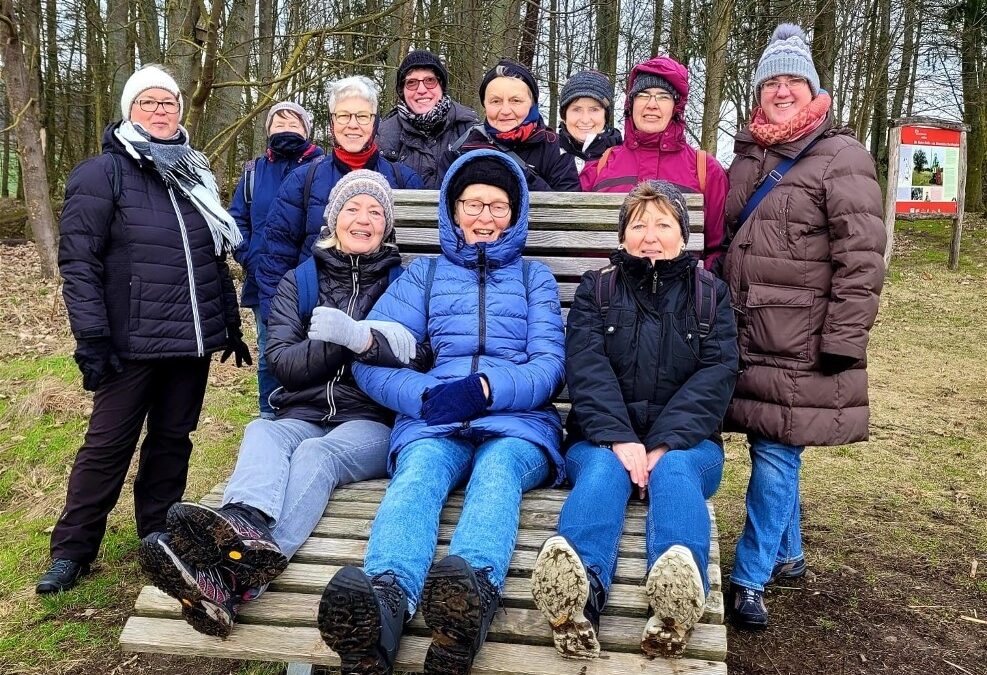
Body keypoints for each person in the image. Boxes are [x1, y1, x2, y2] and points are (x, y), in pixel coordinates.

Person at [137, 170, 430, 637]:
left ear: (387, 227)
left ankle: (236, 575)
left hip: (371, 421)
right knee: (263, 430)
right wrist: (340, 342)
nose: (364, 219)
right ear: (334, 220)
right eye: (353, 209)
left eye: (376, 212)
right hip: (302, 410)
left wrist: (355, 337)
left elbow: (420, 353)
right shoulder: (301, 281)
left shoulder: (406, 281)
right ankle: (243, 523)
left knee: (317, 454)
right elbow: (285, 364)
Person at [316, 150, 566, 674]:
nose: (485, 216)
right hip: (435, 416)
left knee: (497, 476)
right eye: (473, 204)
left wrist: (485, 389)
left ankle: (468, 599)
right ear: (453, 211)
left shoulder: (533, 278)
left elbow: (548, 367)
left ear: (515, 214)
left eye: (498, 206)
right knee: (418, 477)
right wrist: (425, 398)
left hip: (517, 423)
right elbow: (370, 357)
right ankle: (384, 606)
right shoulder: (422, 276)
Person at [38, 64, 250, 594]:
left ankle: (157, 532)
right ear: (129, 110)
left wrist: (228, 323)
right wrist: (91, 337)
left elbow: (212, 258)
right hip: (130, 343)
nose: (161, 111)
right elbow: (79, 263)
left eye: (169, 102)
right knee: (108, 445)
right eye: (149, 102)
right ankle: (72, 550)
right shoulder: (102, 174)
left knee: (173, 441)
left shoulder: (193, 173)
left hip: (190, 340)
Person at [530, 181, 739, 660]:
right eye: (638, 224)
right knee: (602, 470)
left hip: (689, 445)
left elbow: (717, 373)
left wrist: (662, 444)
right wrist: (620, 439)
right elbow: (586, 366)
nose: (650, 235)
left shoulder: (710, 296)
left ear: (682, 237)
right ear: (622, 235)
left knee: (675, 470)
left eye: (663, 224)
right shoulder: (596, 290)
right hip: (600, 440)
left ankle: (674, 600)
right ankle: (577, 597)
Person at [723, 24, 887, 630]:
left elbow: (863, 258)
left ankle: (750, 577)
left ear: (814, 89)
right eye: (773, 82)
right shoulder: (746, 156)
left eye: (794, 80)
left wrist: (844, 337)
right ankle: (788, 553)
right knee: (773, 443)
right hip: (742, 333)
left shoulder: (843, 156)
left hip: (800, 341)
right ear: (760, 91)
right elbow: (726, 244)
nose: (782, 91)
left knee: (775, 452)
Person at [257, 75, 423, 321]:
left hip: (384, 316)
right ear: (332, 122)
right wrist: (281, 323)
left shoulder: (404, 180)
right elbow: (275, 258)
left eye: (362, 116)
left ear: (375, 123)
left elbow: (418, 265)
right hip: (312, 317)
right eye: (343, 116)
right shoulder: (303, 180)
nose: (352, 125)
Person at [580, 57, 729, 275]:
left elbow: (718, 248)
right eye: (643, 95)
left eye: (663, 96)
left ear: (676, 107)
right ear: (631, 104)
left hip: (682, 301)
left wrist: (698, 290)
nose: (652, 104)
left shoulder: (705, 169)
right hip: (609, 298)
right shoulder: (601, 165)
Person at [228, 101, 324, 419]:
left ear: (307, 130)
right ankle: (270, 414)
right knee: (272, 351)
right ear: (267, 129)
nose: (285, 128)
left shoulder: (322, 168)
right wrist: (249, 257)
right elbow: (236, 221)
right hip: (263, 280)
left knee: (314, 350)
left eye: (293, 122)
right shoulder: (254, 173)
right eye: (278, 122)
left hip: (314, 279)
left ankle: (309, 415)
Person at [438, 59, 580, 192]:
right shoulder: (461, 149)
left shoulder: (557, 149)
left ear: (532, 104)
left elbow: (567, 210)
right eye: (496, 101)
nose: (505, 111)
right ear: (485, 105)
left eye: (516, 100)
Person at [378, 50, 479, 189]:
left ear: (441, 86)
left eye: (430, 81)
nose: (421, 90)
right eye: (412, 82)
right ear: (402, 90)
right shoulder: (384, 134)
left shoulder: (469, 129)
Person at [557, 69, 622, 173]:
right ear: (564, 115)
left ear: (605, 115)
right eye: (577, 109)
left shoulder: (623, 158)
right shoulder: (546, 155)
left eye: (594, 109)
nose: (585, 120)